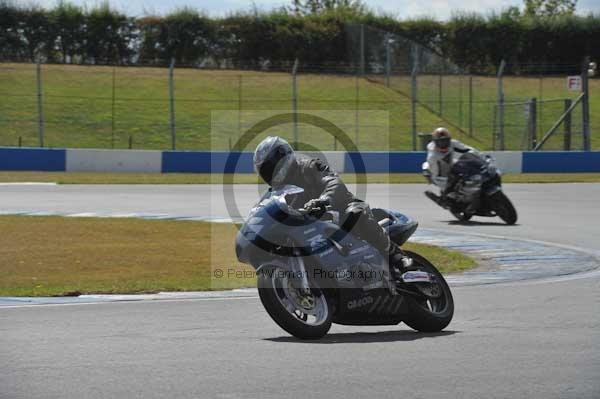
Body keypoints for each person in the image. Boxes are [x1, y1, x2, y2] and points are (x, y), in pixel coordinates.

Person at [253, 136, 407, 287]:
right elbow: (263, 209)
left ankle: (396, 256)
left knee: (354, 214)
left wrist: (324, 199)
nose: (270, 173)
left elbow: (333, 182)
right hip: (310, 227)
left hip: (337, 209)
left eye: (271, 167)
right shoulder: (275, 193)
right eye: (266, 170)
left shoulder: (309, 166)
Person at [424, 127, 480, 202]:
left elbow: (467, 149)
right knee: (453, 190)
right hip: (438, 174)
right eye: (440, 142)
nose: (443, 144)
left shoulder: (452, 143)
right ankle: (444, 200)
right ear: (435, 142)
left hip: (450, 164)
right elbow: (436, 171)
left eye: (445, 141)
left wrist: (479, 154)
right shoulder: (433, 155)